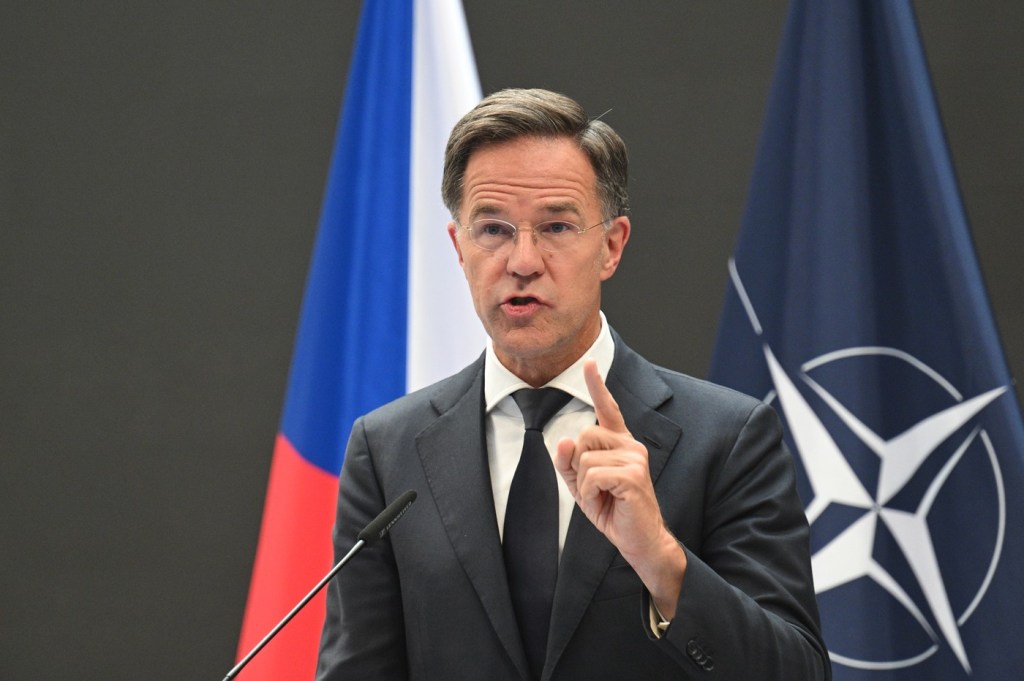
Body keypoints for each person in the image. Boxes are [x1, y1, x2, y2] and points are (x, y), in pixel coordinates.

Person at [315, 88, 830, 680]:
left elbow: (799, 672)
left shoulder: (727, 438)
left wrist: (660, 558)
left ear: (611, 246)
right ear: (458, 247)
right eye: (493, 229)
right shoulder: (387, 450)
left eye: (556, 226)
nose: (523, 261)